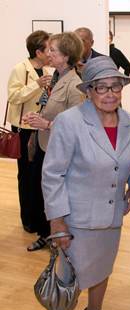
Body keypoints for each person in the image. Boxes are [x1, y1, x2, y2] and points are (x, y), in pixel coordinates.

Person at [41, 56, 130, 310]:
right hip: (77, 217)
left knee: (103, 267)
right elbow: (53, 174)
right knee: (71, 275)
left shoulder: (129, 122)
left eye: (115, 87)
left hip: (112, 213)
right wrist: (57, 222)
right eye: (102, 88)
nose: (110, 93)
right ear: (89, 91)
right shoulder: (69, 122)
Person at [23, 32, 84, 251]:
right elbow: (49, 108)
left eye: (53, 50)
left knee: (54, 195)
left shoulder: (75, 85)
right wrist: (37, 118)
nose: (48, 53)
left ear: (66, 56)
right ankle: (45, 234)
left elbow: (77, 125)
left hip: (59, 150)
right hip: (44, 145)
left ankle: (56, 236)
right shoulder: (55, 77)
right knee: (40, 191)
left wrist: (47, 125)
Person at [7, 30, 52, 233]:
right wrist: (36, 85)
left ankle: (39, 217)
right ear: (38, 51)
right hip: (24, 129)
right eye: (48, 48)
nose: (51, 51)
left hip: (42, 128)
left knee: (39, 176)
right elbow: (14, 97)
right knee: (25, 176)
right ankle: (28, 220)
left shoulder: (49, 69)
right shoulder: (20, 69)